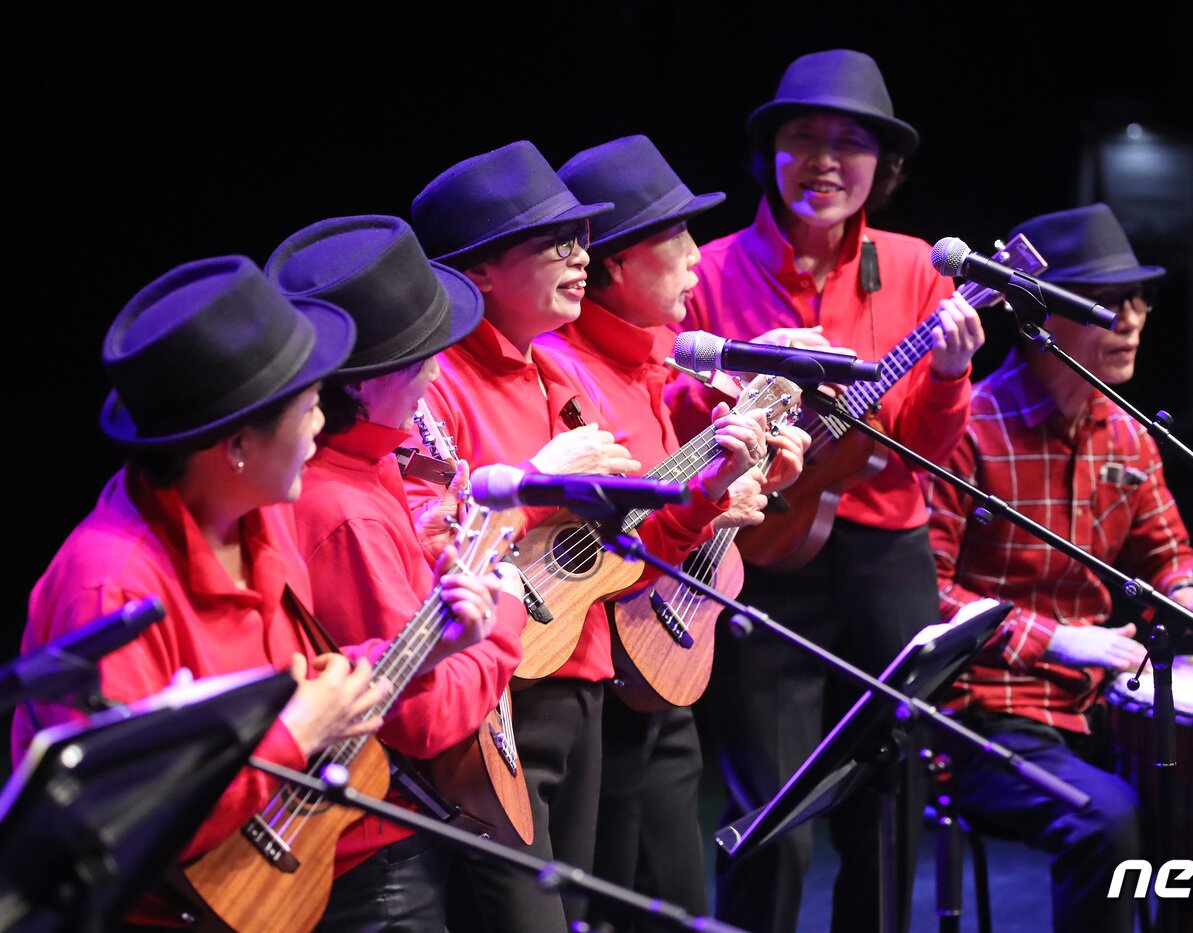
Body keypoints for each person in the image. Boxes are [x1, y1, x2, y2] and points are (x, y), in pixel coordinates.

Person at [12, 256, 496, 926]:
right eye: (308, 407)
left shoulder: (260, 515)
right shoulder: (108, 587)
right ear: (237, 444)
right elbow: (114, 827)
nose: (322, 425)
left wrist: (424, 648)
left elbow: (302, 686)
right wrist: (294, 737)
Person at [406, 140, 771, 930]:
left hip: (580, 680)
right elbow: (425, 548)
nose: (581, 256)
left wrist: (706, 495)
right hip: (495, 702)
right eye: (555, 243)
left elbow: (621, 559)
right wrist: (535, 480)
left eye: (580, 238)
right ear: (479, 273)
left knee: (574, 913)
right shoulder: (439, 385)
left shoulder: (561, 378)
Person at [669, 49, 985, 933]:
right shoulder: (709, 272)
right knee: (772, 814)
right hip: (759, 556)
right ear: (768, 154)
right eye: (804, 138)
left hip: (887, 557)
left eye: (851, 144)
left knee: (889, 799)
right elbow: (672, 415)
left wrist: (950, 376)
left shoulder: (918, 267)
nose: (826, 161)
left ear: (883, 166)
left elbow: (920, 452)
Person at [925, 203, 1193, 933]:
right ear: (1042, 318)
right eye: (1109, 301)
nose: (1134, 319)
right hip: (981, 716)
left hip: (1101, 706)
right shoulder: (966, 428)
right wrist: (1054, 638)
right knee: (1107, 821)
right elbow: (927, 597)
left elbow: (1169, 555)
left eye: (1140, 299)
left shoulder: (1129, 436)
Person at [549, 134, 809, 931]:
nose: (698, 255)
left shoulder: (671, 355)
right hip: (595, 674)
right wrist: (709, 499)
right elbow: (600, 536)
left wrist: (760, 474)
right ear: (615, 264)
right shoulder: (562, 369)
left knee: (675, 905)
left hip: (664, 652)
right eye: (676, 236)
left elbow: (699, 497)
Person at [266, 214, 527, 930]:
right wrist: (506, 612)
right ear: (362, 383)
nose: (436, 375)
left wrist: (426, 562)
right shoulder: (343, 507)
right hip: (374, 859)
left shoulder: (370, 466)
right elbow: (425, 717)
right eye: (420, 360)